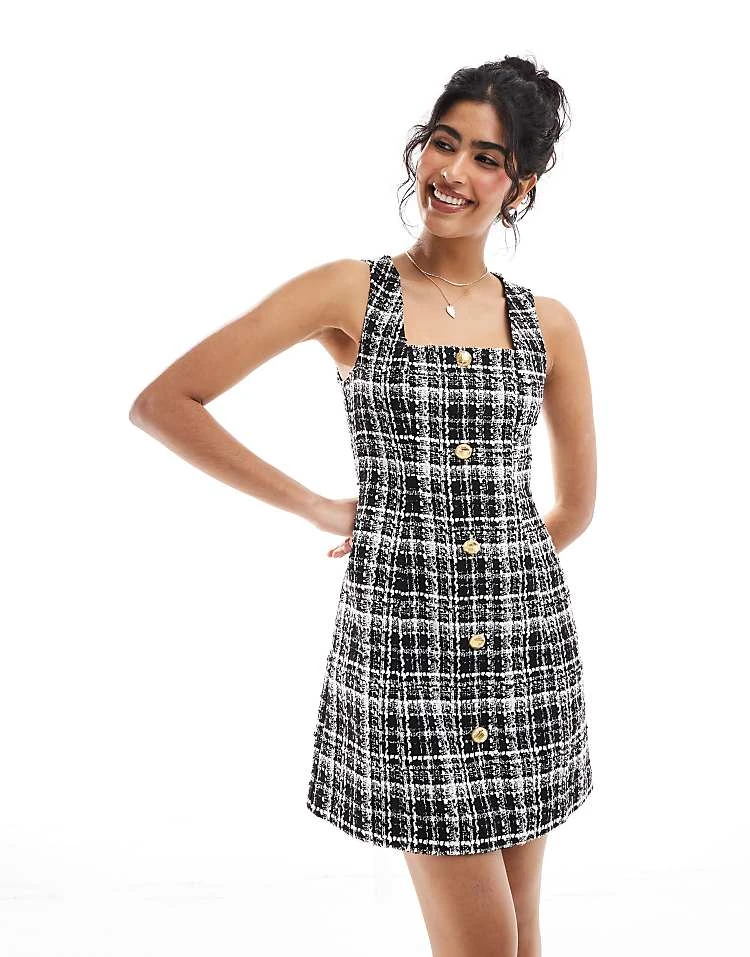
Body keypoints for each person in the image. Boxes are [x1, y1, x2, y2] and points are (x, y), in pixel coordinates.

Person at [130, 55, 596, 957]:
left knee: (522, 934)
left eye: (488, 158)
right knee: (486, 942)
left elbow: (573, 511)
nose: (454, 171)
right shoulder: (352, 291)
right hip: (406, 657)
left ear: (521, 187)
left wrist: (487, 566)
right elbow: (165, 403)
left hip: (526, 653)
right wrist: (316, 505)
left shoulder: (550, 324)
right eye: (444, 143)